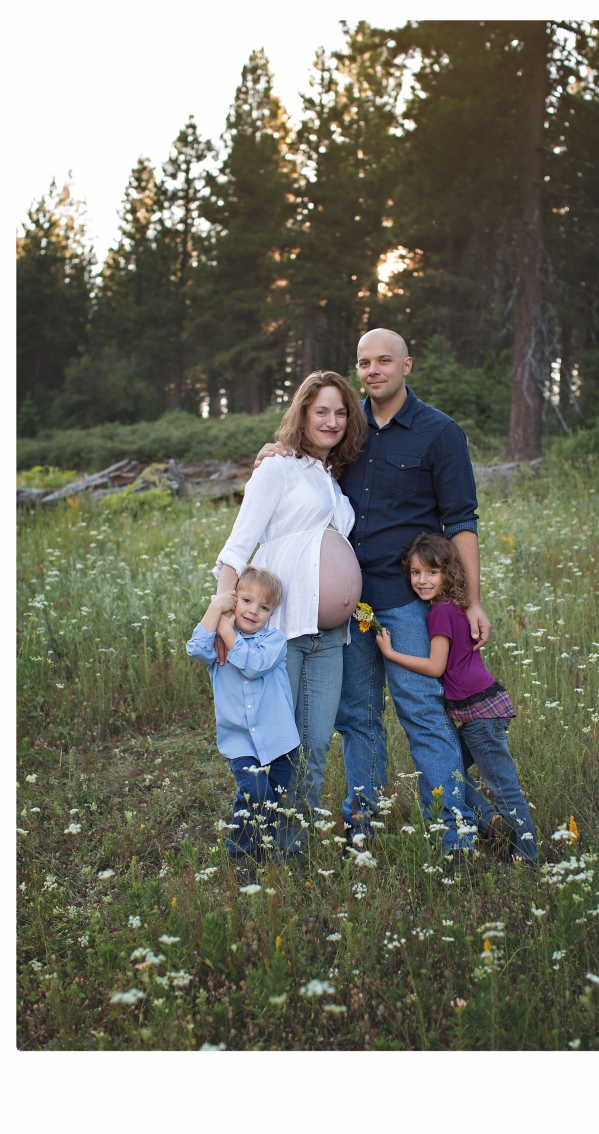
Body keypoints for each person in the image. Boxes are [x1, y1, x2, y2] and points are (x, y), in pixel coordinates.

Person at [254, 328, 492, 856]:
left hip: (407, 602)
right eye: (364, 361)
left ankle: (457, 833)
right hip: (351, 610)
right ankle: (363, 823)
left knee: (422, 714)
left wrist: (471, 600)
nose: (373, 370)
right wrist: (281, 447)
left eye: (385, 360)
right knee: (357, 718)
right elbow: (307, 457)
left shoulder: (439, 433)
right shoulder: (347, 427)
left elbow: (462, 521)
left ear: (408, 364)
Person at [213, 371, 367, 842]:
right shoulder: (277, 468)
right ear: (302, 413)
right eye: (321, 410)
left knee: (317, 744)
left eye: (341, 412)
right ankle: (256, 844)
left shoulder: (331, 478)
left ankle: (292, 847)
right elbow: (239, 545)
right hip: (281, 630)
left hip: (330, 636)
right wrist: (221, 614)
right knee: (275, 744)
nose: (332, 420)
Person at [375, 532, 537, 864]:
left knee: (503, 787)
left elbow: (435, 666)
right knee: (448, 773)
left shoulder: (439, 613)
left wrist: (392, 654)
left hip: (480, 713)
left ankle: (527, 856)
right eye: (416, 572)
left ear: (448, 572)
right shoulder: (454, 605)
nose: (422, 580)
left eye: (432, 572)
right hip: (482, 706)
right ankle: (490, 822)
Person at [186, 566, 300, 861]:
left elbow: (254, 664)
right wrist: (215, 610)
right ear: (233, 601)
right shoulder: (217, 644)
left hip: (278, 741)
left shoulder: (274, 642)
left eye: (263, 607)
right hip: (240, 742)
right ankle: (239, 853)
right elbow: (195, 650)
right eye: (246, 601)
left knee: (274, 800)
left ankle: (269, 854)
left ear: (271, 613)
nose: (253, 611)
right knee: (254, 793)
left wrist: (225, 630)